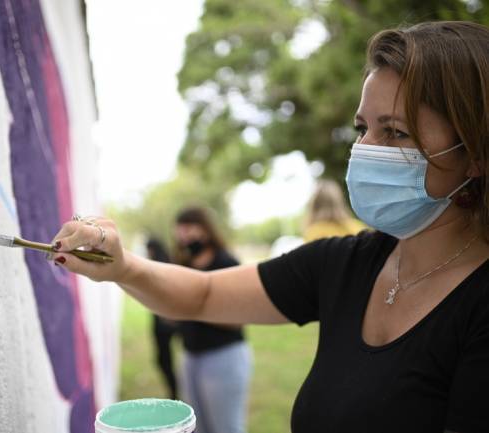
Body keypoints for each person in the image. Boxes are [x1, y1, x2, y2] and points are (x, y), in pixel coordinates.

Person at [49, 21, 489, 433]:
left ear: (474, 153)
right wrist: (122, 267)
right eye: (362, 128)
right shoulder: (348, 262)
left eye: (395, 133)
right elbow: (203, 296)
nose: (364, 149)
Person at [171, 207, 251, 433]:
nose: (183, 235)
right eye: (179, 229)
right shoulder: (183, 265)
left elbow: (239, 319)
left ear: (205, 229)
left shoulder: (226, 262)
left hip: (223, 357)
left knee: (227, 428)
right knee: (196, 428)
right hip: (190, 357)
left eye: (188, 228)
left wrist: (194, 309)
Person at [145, 237, 179, 400]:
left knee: (164, 360)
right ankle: (174, 391)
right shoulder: (168, 262)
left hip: (165, 320)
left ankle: (174, 392)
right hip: (166, 319)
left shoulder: (157, 265)